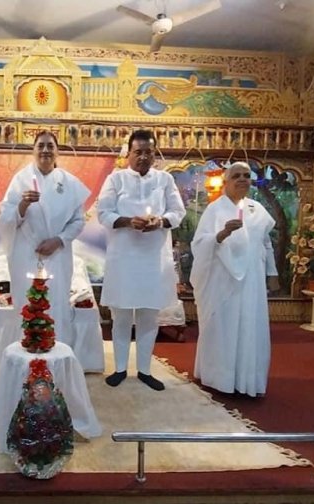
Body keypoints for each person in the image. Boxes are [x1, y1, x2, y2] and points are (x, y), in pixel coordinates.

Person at [97, 129, 186, 390]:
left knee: (149, 316)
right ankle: (121, 368)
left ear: (155, 153)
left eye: (149, 152)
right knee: (122, 316)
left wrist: (160, 221)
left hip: (153, 259)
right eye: (138, 152)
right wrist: (127, 221)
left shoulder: (165, 180)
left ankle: (145, 370)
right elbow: (103, 213)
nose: (144, 157)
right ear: (129, 153)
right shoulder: (116, 179)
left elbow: (178, 212)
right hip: (123, 258)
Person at [191, 161, 280, 397]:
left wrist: (273, 273)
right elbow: (199, 244)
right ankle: (219, 377)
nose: (242, 179)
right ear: (226, 182)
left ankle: (247, 378)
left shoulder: (257, 209)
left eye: (246, 176)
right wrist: (222, 234)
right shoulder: (215, 210)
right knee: (223, 325)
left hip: (252, 279)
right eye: (236, 176)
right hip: (223, 279)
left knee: (250, 325)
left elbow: (265, 243)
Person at [0, 130, 90, 347]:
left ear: (57, 151)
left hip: (57, 254)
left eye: (50, 146)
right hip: (26, 252)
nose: (46, 150)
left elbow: (78, 221)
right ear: (33, 150)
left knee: (56, 304)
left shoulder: (70, 183)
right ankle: (26, 354)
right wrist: (22, 205)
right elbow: (5, 219)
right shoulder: (20, 180)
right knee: (27, 303)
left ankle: (55, 356)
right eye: (41, 146)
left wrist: (58, 240)